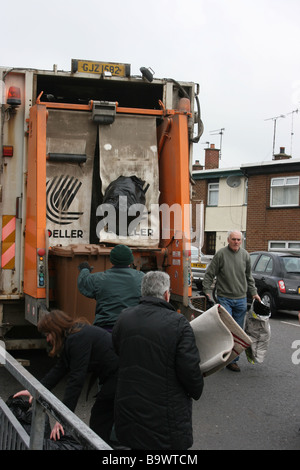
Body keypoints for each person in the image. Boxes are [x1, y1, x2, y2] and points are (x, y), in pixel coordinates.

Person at [112, 271, 204, 450]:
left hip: (129, 409)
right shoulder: (178, 323)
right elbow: (190, 371)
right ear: (166, 294)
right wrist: (197, 389)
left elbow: (117, 350)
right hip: (165, 416)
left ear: (143, 292)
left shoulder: (124, 318)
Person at [14, 310, 118, 443]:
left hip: (120, 377)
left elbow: (76, 380)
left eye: (48, 334)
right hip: (117, 377)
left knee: (100, 420)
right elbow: (59, 369)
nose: (47, 339)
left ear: (55, 329)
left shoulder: (77, 338)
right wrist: (34, 390)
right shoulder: (74, 336)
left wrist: (64, 419)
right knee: (102, 419)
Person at [202, 230, 261, 372]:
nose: (236, 242)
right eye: (233, 239)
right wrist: (207, 292)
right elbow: (209, 274)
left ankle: (233, 361)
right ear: (228, 240)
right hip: (225, 298)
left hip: (241, 299)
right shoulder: (221, 254)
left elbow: (249, 277)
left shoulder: (245, 256)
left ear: (242, 241)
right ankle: (220, 357)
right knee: (226, 329)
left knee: (238, 332)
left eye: (238, 240)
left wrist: (254, 293)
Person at [77, 244, 144, 332]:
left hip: (105, 329)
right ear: (131, 261)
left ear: (111, 261)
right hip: (132, 328)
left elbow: (84, 282)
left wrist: (85, 269)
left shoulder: (98, 279)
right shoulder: (142, 278)